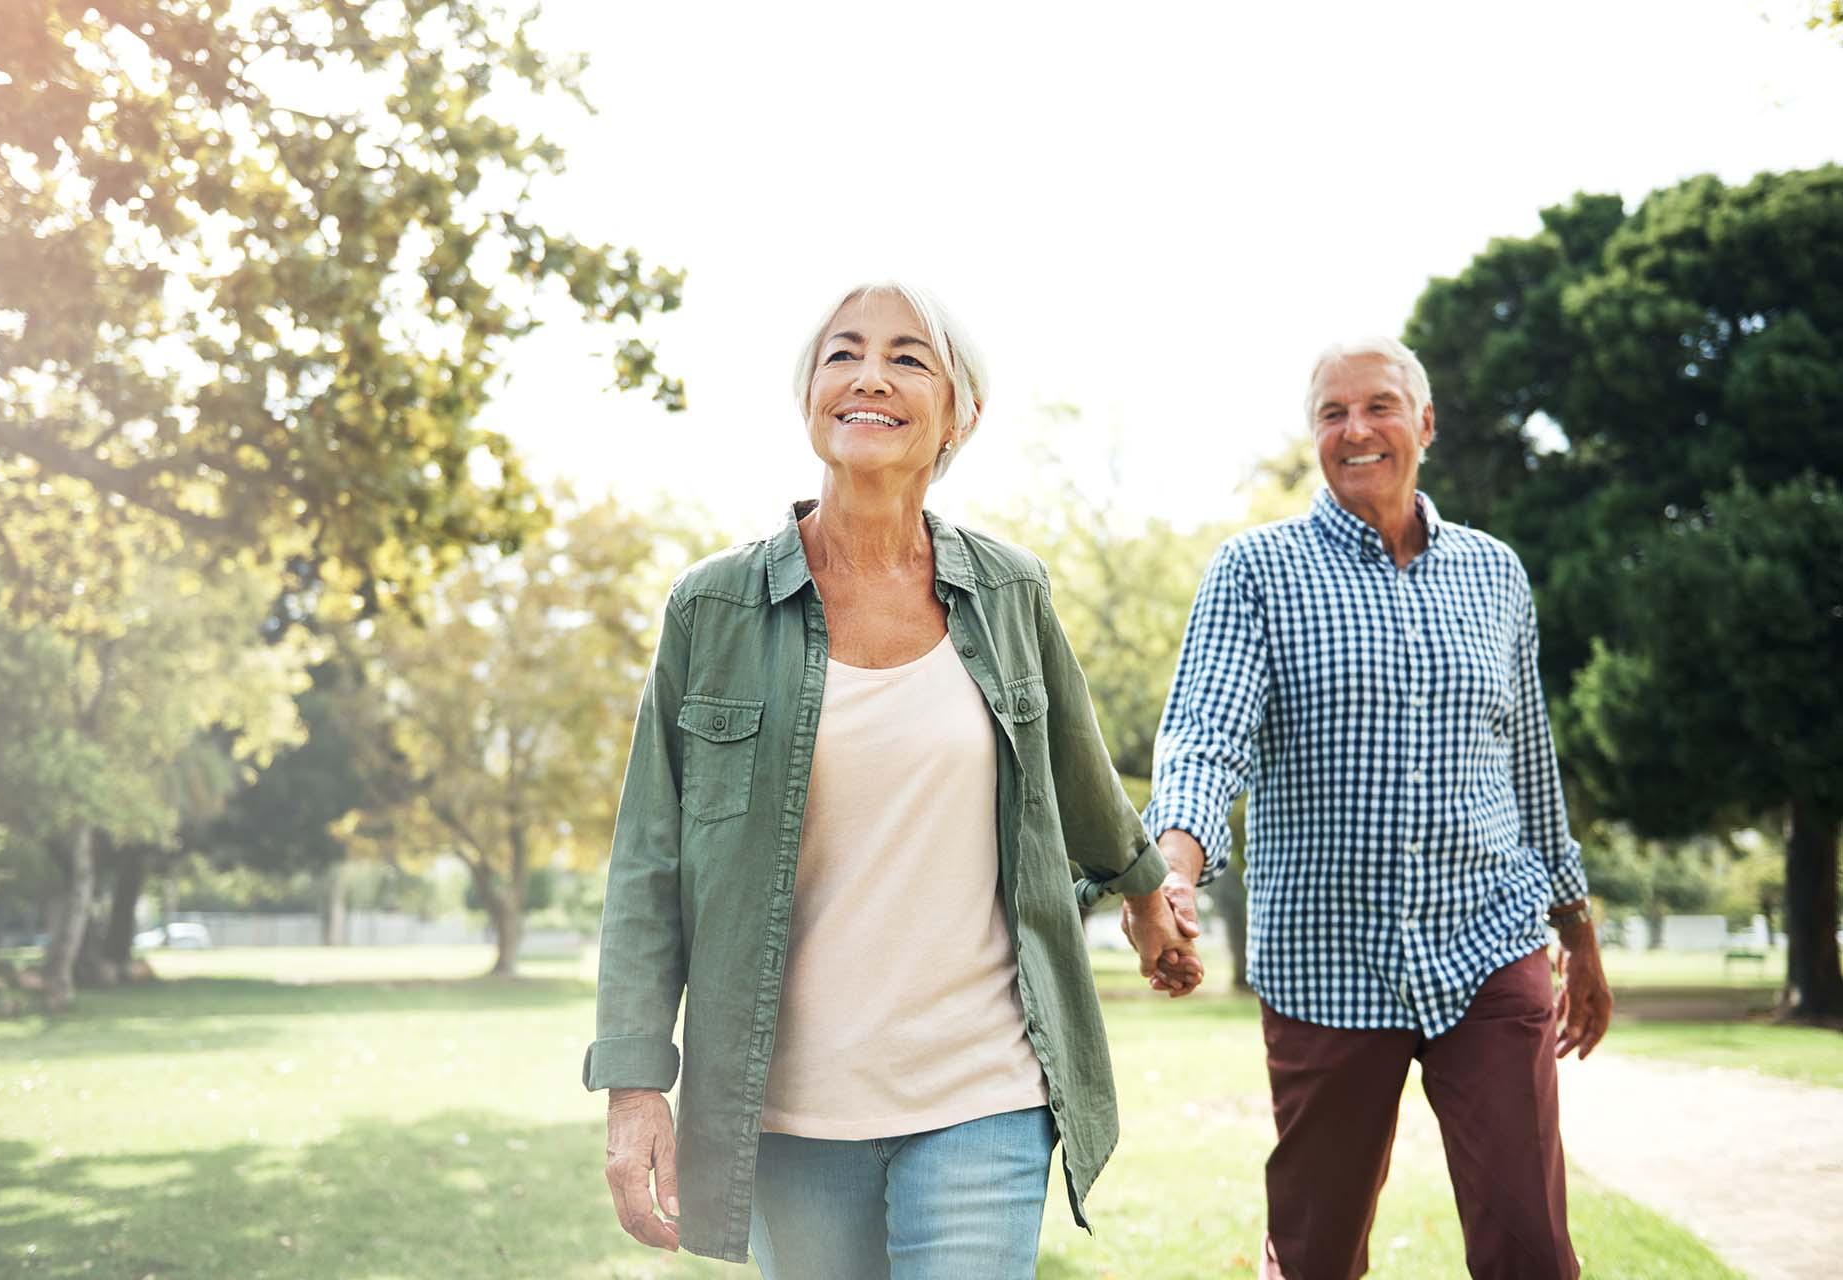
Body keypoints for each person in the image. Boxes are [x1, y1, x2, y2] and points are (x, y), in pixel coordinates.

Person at [584, 281, 1195, 1275]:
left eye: (908, 356)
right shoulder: (712, 609)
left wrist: (1144, 896)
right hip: (785, 1110)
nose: (870, 374)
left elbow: (1078, 778)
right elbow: (649, 862)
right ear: (810, 397)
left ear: (959, 411)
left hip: (981, 1087)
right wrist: (634, 1084)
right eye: (843, 353)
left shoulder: (1009, 592)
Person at [1134, 338, 1614, 1279]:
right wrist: (1172, 874)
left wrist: (1578, 931)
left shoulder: (1493, 574)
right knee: (1317, 1249)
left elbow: (1528, 768)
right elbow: (1203, 737)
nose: (1355, 430)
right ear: (1314, 434)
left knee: (1530, 1243)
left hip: (1489, 942)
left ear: (1424, 424)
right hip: (1325, 961)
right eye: (1331, 413)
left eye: (1379, 406)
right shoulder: (1255, 573)